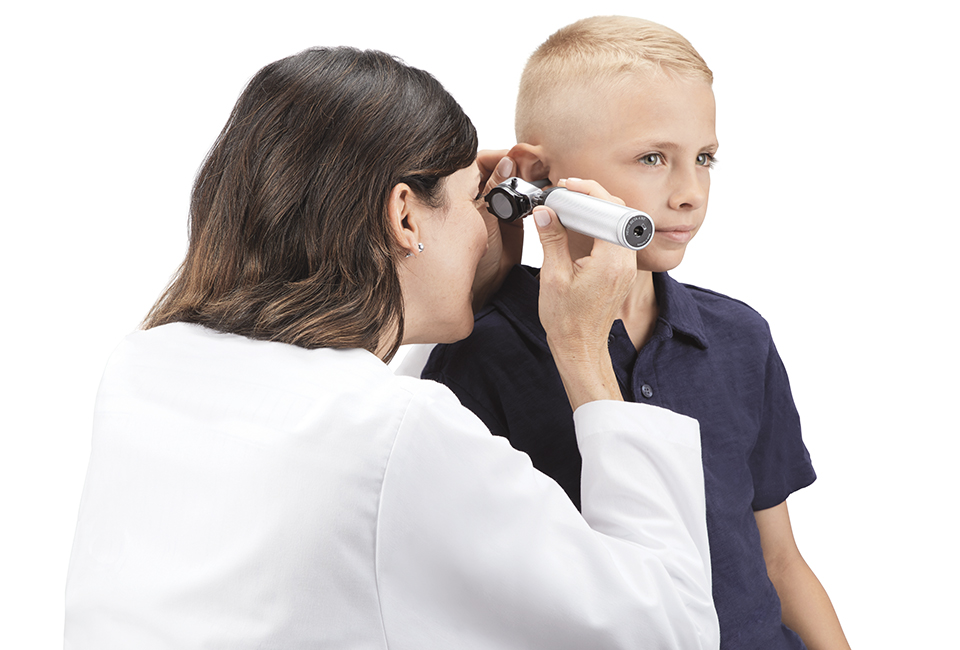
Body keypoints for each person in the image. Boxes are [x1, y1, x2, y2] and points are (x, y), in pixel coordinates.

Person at [63, 46, 720, 649]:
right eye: (473, 199)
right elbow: (670, 627)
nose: (489, 221)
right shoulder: (397, 435)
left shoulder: (146, 364)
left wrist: (469, 274)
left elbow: (359, 463)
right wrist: (582, 352)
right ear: (405, 215)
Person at [421, 16, 850, 650]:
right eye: (653, 158)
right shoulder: (481, 348)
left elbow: (780, 560)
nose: (689, 194)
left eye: (704, 159)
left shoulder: (739, 337)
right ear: (539, 175)